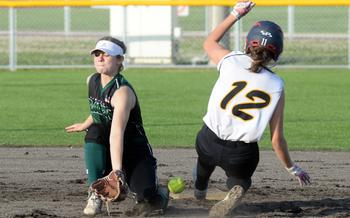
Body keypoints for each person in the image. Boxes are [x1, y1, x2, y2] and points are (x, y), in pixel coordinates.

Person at [192, 1, 311, 217]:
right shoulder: (276, 84)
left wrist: (236, 13)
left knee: (204, 162)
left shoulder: (230, 60)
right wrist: (293, 168)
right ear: (277, 52)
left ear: (249, 43)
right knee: (240, 179)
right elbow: (277, 140)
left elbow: (209, 42)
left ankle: (199, 192)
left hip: (208, 140)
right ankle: (234, 190)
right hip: (241, 154)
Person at [65, 36, 168, 216]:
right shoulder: (92, 80)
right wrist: (85, 123)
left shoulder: (122, 92)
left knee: (147, 201)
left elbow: (117, 133)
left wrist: (117, 171)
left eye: (106, 54)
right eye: (97, 54)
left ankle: (161, 194)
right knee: (95, 130)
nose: (100, 58)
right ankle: (95, 193)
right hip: (107, 146)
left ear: (120, 59)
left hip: (133, 149)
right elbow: (100, 108)